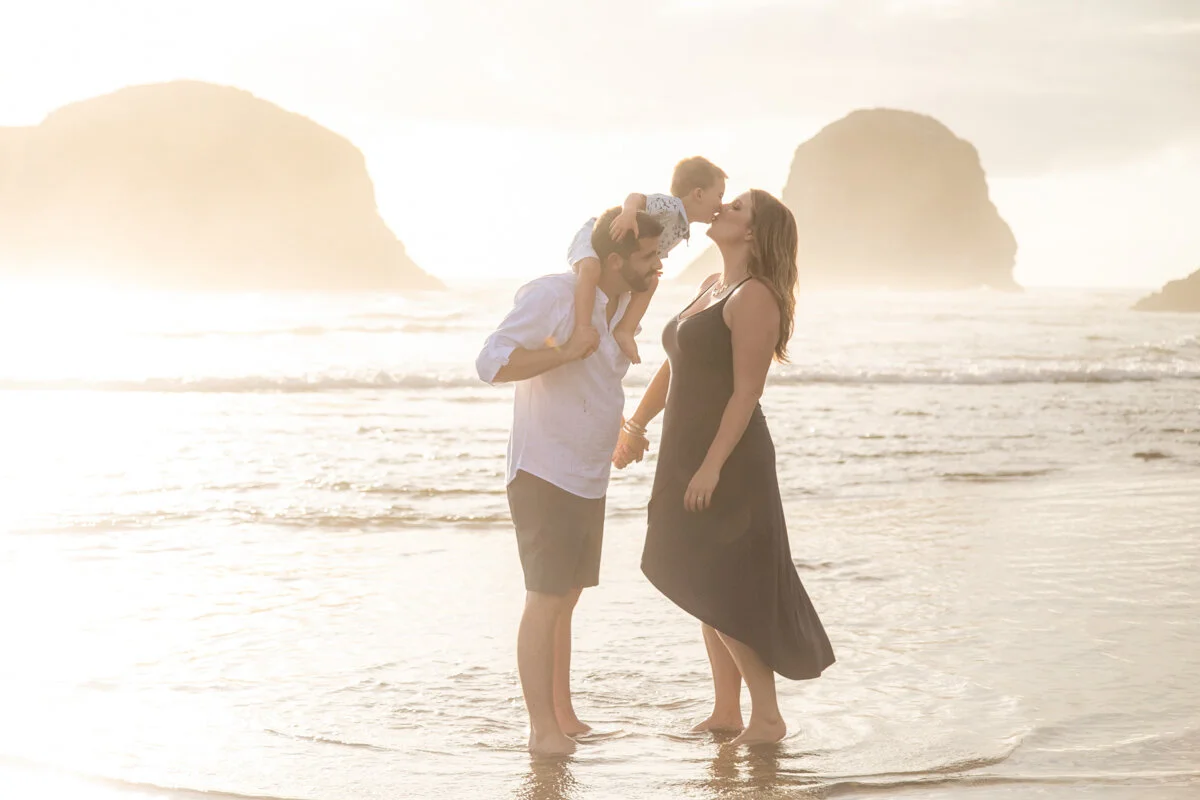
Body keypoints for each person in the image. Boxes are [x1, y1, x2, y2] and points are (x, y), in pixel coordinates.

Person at [614, 189, 835, 747]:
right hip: (687, 450)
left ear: (754, 234)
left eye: (737, 209)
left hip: (729, 459)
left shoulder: (755, 294)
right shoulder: (713, 286)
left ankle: (767, 717)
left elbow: (746, 393)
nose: (723, 210)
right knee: (701, 579)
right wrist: (634, 425)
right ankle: (725, 711)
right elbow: (675, 364)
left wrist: (712, 467)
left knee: (722, 583)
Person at [475, 208, 664, 757]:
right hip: (544, 471)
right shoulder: (554, 296)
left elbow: (599, 385)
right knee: (545, 598)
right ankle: (542, 732)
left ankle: (563, 714)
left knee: (567, 598)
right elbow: (490, 362)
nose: (657, 266)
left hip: (588, 473)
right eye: (649, 256)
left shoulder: (621, 304)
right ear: (612, 260)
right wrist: (562, 351)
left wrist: (625, 432)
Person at [568, 156, 726, 365]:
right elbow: (636, 198)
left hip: (622, 250)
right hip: (595, 233)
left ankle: (625, 329)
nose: (721, 205)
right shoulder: (672, 207)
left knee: (651, 281)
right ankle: (582, 328)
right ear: (698, 194)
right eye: (719, 196)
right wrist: (628, 213)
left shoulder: (682, 226)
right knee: (590, 267)